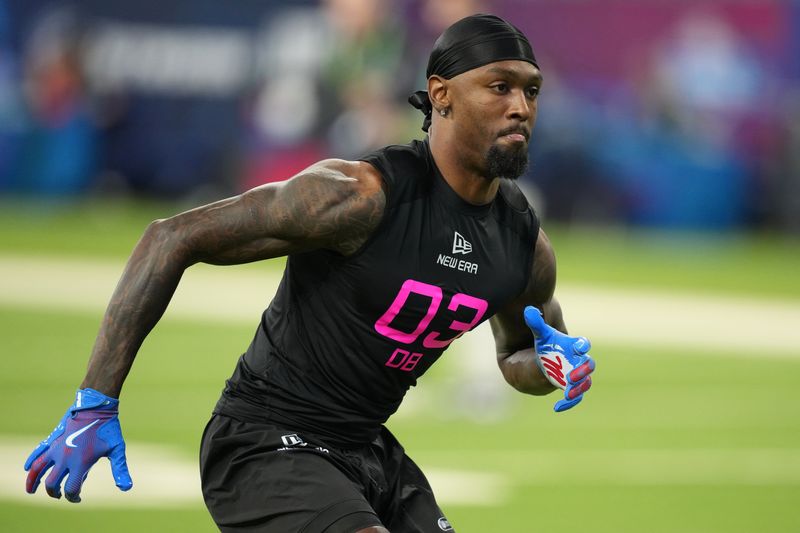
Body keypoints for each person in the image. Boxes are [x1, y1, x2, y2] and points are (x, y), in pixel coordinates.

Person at [23, 14, 596, 533]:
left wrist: (553, 365)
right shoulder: (359, 197)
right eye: (500, 87)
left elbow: (518, 356)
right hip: (264, 440)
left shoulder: (524, 242)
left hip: (368, 448)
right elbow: (170, 237)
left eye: (531, 90)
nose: (521, 106)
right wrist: (94, 400)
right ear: (442, 95)